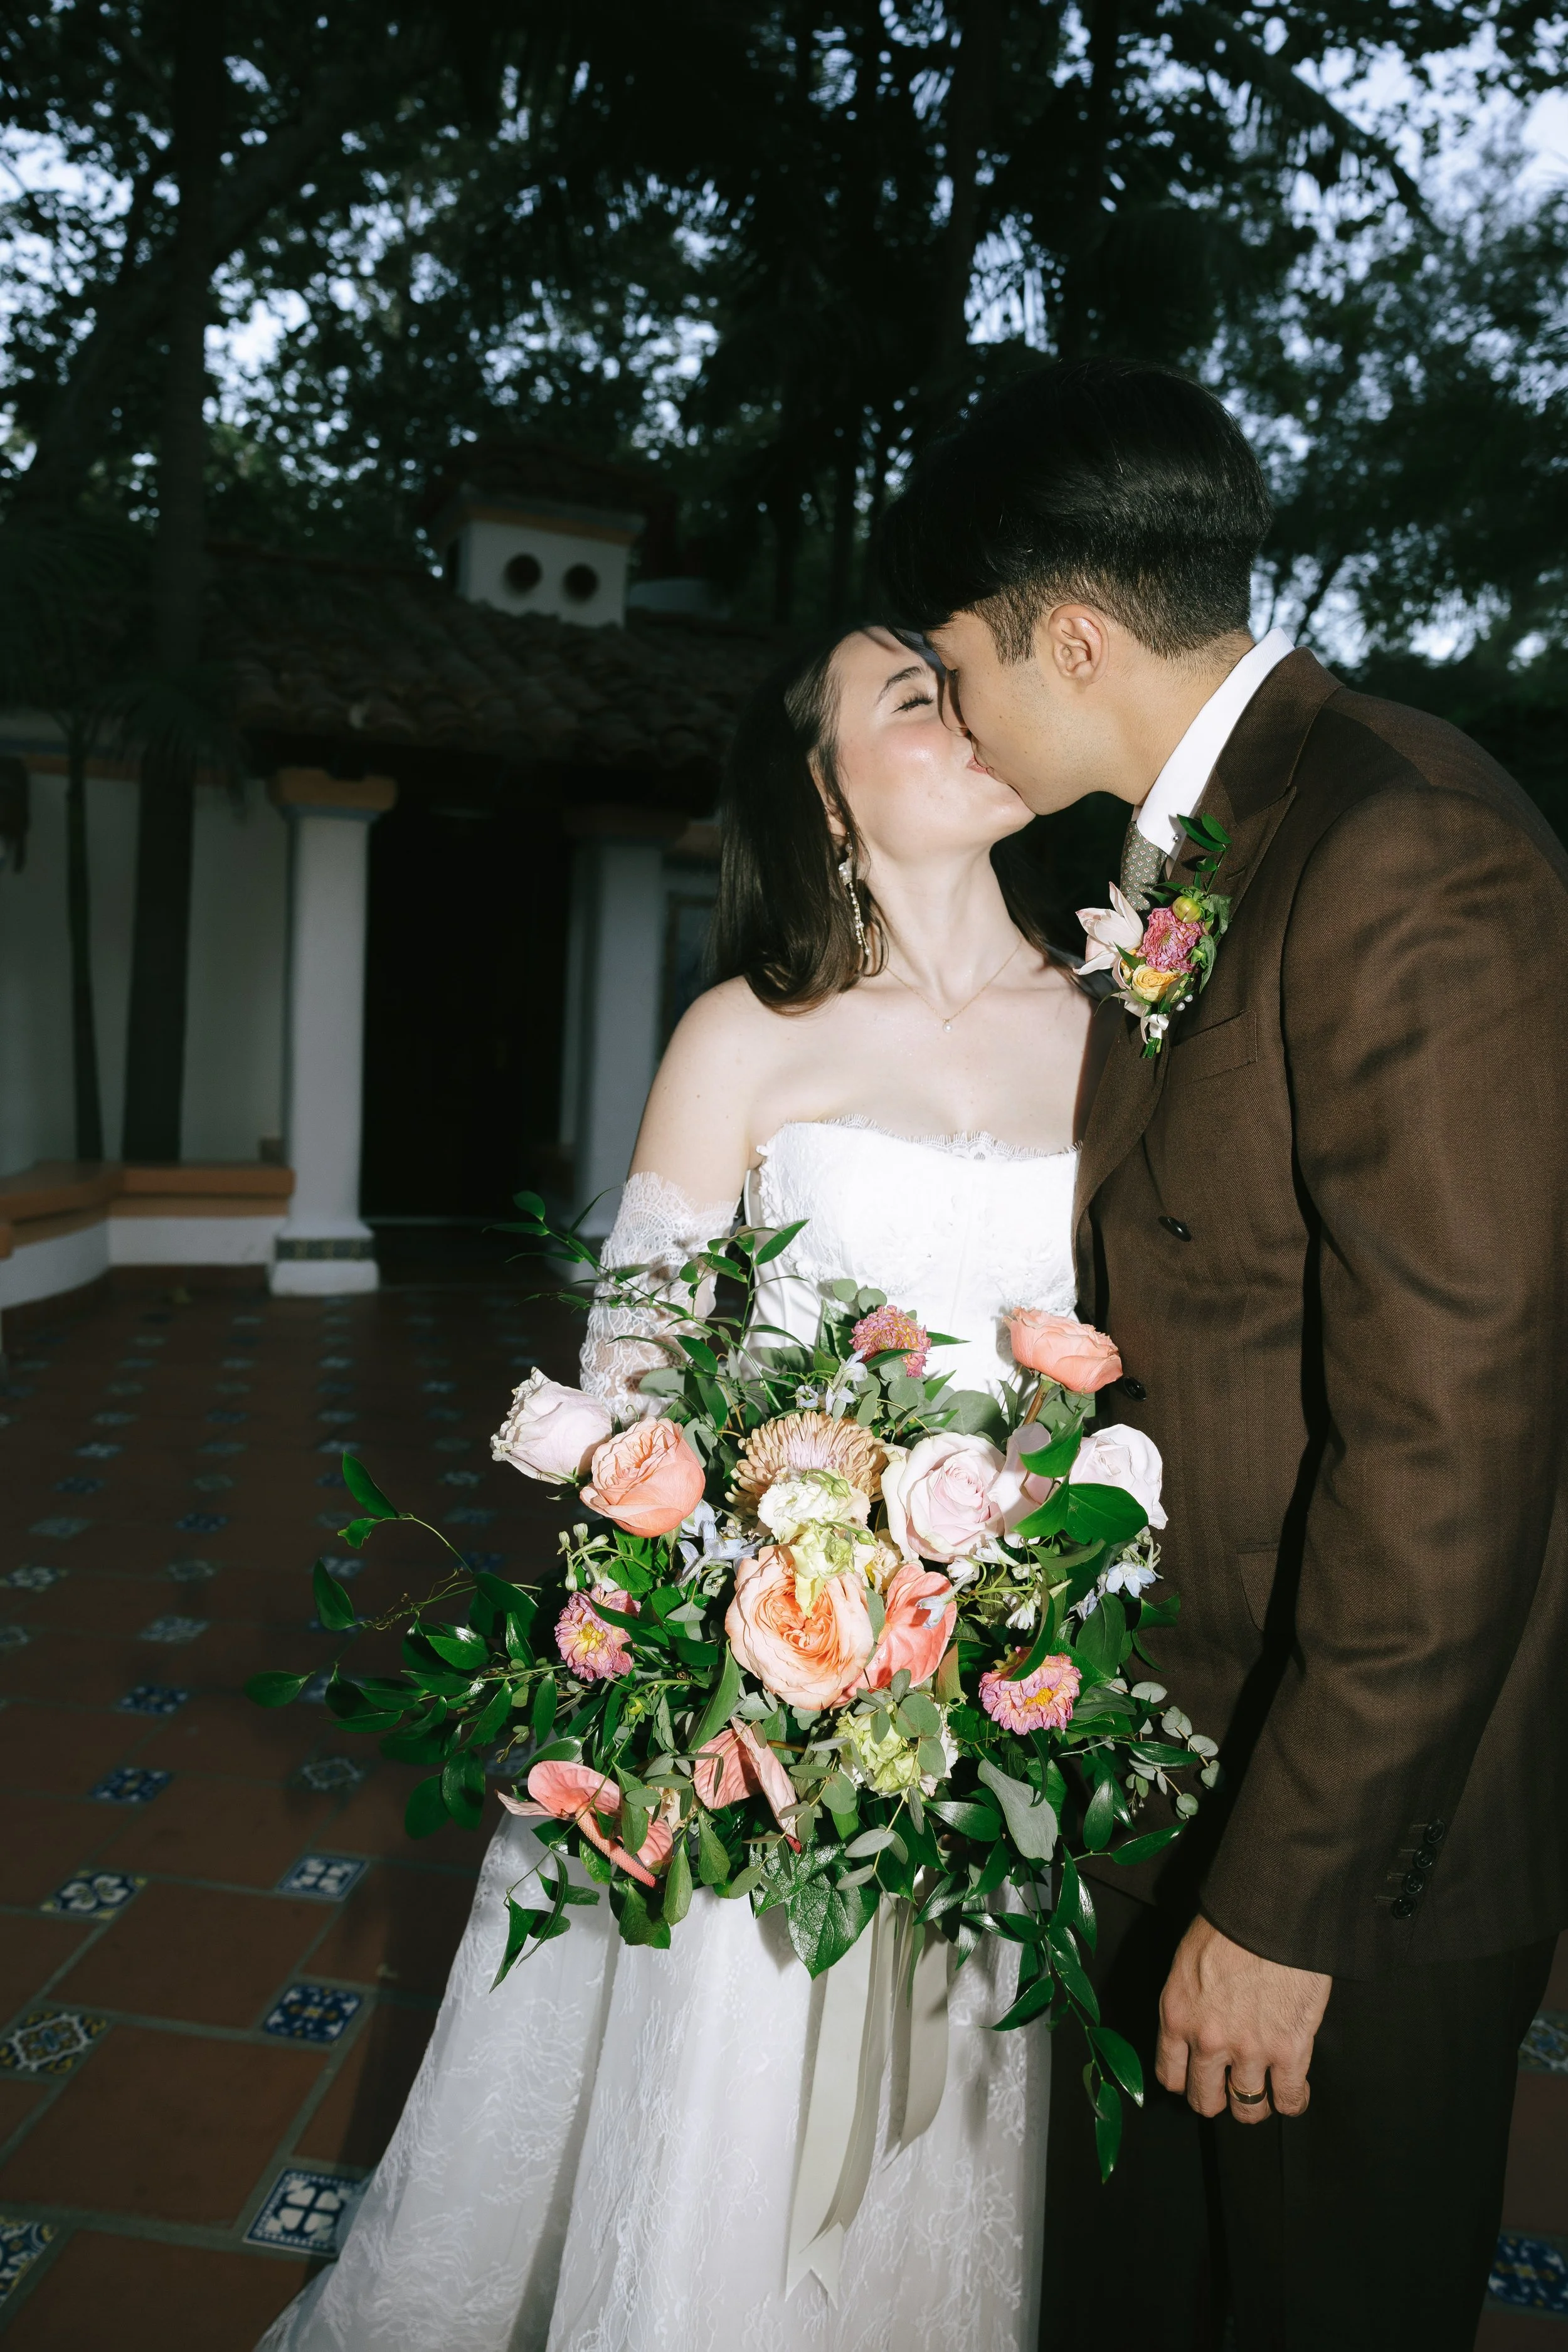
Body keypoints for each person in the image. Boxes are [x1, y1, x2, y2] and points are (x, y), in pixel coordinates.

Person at [259, 624, 1099, 2352]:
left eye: (962, 681)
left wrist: (1015, 1577)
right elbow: (634, 1367)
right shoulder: (744, 1033)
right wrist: (783, 1591)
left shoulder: (1110, 1028)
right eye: (908, 696)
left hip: (1002, 1678)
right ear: (820, 786)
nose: (963, 713)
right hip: (768, 1674)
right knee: (731, 2077)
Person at [880, 355, 1568, 2349]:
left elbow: (1457, 1436)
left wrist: (1281, 1904)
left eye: (960, 662)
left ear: (1071, 635)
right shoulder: (1219, 837)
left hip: (1350, 1849)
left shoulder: (1403, 848)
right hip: (1174, 1758)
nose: (956, 705)